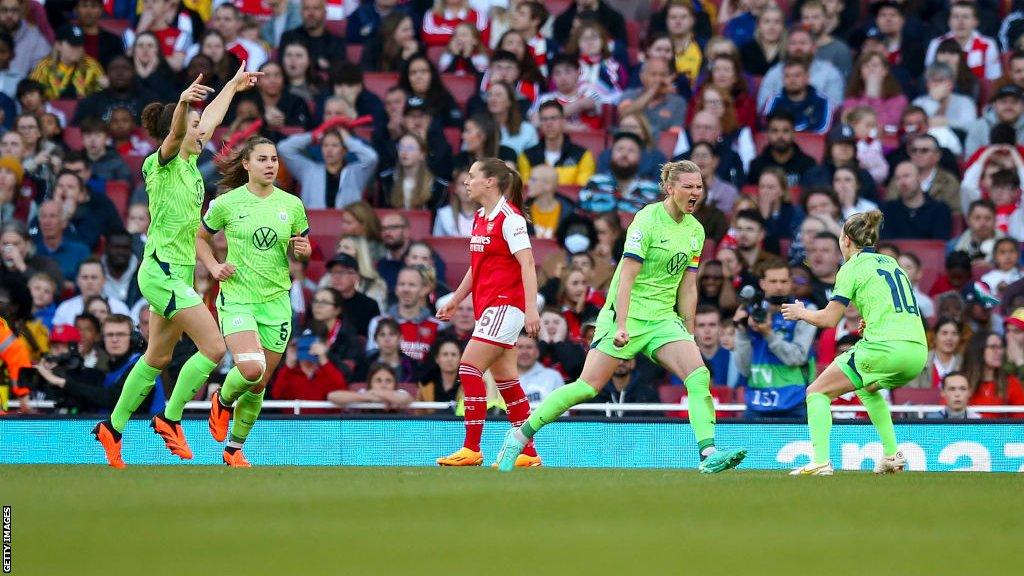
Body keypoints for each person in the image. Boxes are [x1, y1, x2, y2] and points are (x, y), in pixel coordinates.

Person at [495, 160, 747, 473]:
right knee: (587, 387)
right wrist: (622, 324)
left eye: (699, 187)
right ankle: (519, 436)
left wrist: (688, 331)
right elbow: (626, 276)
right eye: (689, 187)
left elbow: (688, 285)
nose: (696, 193)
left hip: (662, 319)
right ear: (670, 189)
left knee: (698, 376)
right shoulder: (647, 220)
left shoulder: (695, 230)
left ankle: (708, 453)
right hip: (624, 315)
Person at [91, 66, 261, 469]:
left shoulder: (190, 161)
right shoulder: (161, 163)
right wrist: (185, 102)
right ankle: (169, 419)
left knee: (157, 358)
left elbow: (212, 118)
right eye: (194, 126)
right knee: (215, 347)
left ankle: (111, 430)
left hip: (179, 274)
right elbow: (172, 138)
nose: (202, 132)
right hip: (161, 273)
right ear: (179, 128)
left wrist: (232, 87)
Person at [782, 210, 928, 475]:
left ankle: (820, 462)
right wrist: (870, 322)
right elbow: (897, 307)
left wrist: (800, 313)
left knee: (816, 392)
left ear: (846, 240)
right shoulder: (893, 264)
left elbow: (829, 319)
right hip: (917, 352)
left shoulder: (851, 268)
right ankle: (891, 455)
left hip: (886, 348)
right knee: (867, 388)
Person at [198, 135, 312, 467]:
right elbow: (201, 238)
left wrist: (302, 250)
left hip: (276, 300)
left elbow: (300, 246)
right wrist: (214, 266)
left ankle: (235, 448)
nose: (270, 165)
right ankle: (221, 399)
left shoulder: (291, 204)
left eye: (274, 159)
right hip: (238, 298)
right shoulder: (226, 203)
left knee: (259, 382)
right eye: (262, 159)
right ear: (246, 164)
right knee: (250, 369)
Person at [432, 158, 542, 467]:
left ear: (490, 182)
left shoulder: (511, 219)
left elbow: (528, 263)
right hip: (489, 305)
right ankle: (527, 453)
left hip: (507, 305)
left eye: (472, 176)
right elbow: (477, 266)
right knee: (506, 380)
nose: (466, 182)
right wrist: (456, 299)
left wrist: (531, 308)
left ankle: (471, 448)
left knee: (468, 367)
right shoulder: (481, 216)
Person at [734, 259, 817, 419]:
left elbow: (797, 357)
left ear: (790, 282)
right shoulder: (750, 312)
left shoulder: (804, 310)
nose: (779, 286)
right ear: (762, 283)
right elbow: (744, 369)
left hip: (794, 403)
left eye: (783, 281)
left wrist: (767, 333)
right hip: (757, 403)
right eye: (773, 281)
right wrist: (742, 332)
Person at [278, 116, 379, 209]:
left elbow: (371, 158)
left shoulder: (355, 173)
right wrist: (313, 136)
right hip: (315, 225)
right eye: (325, 145)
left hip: (348, 226)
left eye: (334, 145)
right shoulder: (309, 170)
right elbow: (283, 148)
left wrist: (347, 139)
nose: (329, 150)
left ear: (344, 150)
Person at [880, 162, 954, 240]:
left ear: (919, 177)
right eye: (898, 178)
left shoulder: (940, 209)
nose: (902, 182)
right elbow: (885, 244)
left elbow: (940, 245)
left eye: (906, 176)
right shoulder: (887, 210)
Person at [516, 331, 565, 402]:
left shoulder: (553, 377)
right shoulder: (502, 379)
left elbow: (563, 410)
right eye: (520, 347)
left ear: (537, 352)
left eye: (529, 347)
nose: (524, 352)